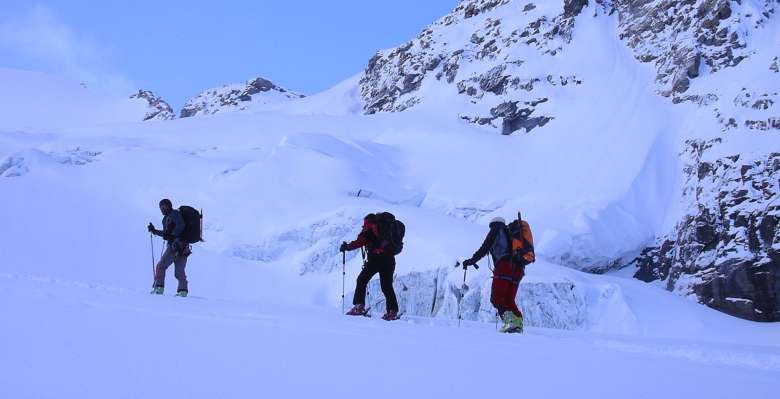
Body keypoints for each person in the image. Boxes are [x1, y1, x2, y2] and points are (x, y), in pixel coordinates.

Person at [462, 217, 524, 333]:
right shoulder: (510, 233)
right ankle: (519, 324)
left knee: (496, 298)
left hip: (504, 267)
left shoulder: (496, 230)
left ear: (492, 224)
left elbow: (484, 248)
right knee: (509, 299)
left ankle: (511, 322)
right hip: (518, 269)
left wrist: (472, 260)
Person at [340, 213, 400, 321]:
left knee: (362, 280)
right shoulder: (385, 229)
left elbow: (359, 242)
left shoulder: (369, 230)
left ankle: (359, 306)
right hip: (390, 259)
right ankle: (392, 311)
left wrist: (347, 247)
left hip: (376, 260)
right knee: (387, 286)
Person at [148, 198, 191, 297]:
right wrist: (155, 231)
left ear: (169, 206)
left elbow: (180, 226)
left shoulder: (174, 214)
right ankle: (183, 291)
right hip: (184, 247)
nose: (162, 209)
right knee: (179, 270)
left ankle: (159, 288)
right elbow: (166, 234)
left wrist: (171, 235)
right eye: (160, 207)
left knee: (161, 266)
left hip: (174, 245)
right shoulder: (168, 217)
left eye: (163, 206)